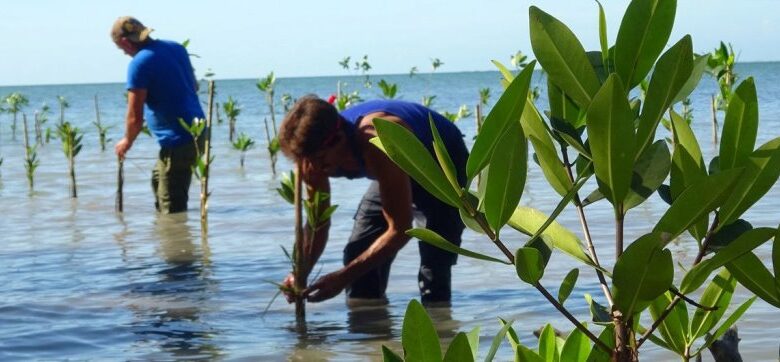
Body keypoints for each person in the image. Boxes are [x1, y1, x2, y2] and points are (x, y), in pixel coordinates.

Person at [279, 96, 468, 306]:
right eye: (306, 161)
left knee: (434, 266)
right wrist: (299, 272)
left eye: (320, 161)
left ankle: (441, 329)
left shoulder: (377, 142)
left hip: (441, 163)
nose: (314, 169)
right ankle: (371, 334)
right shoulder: (311, 161)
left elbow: (400, 230)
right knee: (358, 254)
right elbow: (318, 224)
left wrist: (343, 277)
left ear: (338, 139)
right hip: (391, 168)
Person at [111, 16, 204, 214]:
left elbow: (135, 117)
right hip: (199, 131)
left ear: (126, 42)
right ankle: (165, 237)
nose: (124, 53)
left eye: (121, 49)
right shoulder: (176, 48)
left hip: (179, 140)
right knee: (157, 179)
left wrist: (126, 141)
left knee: (172, 207)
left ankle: (176, 242)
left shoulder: (140, 63)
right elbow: (194, 86)